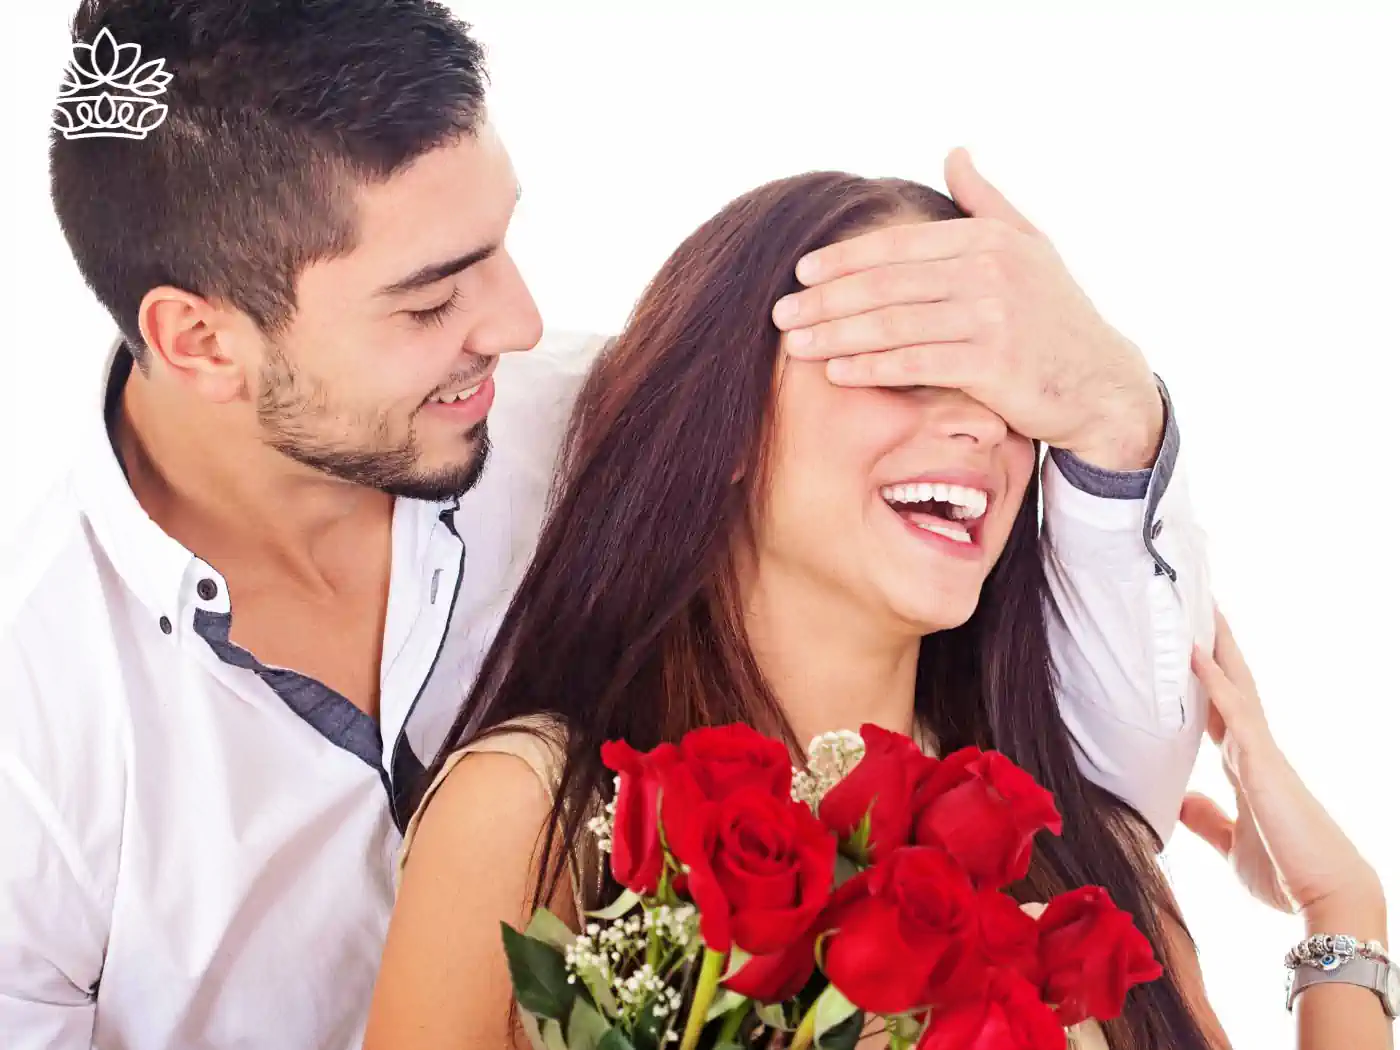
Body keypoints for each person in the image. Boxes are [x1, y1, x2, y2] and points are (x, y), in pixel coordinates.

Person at [2, 2, 1211, 1048]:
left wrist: (1109, 412)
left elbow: (1076, 791)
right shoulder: (35, 725)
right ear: (199, 341)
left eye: (499, 247)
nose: (519, 324)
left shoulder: (603, 428)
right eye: (430, 301)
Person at [366, 174, 1227, 1050]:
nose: (981, 429)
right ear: (730, 426)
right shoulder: (528, 812)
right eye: (911, 369)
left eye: (1014, 394)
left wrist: (1341, 931)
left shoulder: (1085, 854)